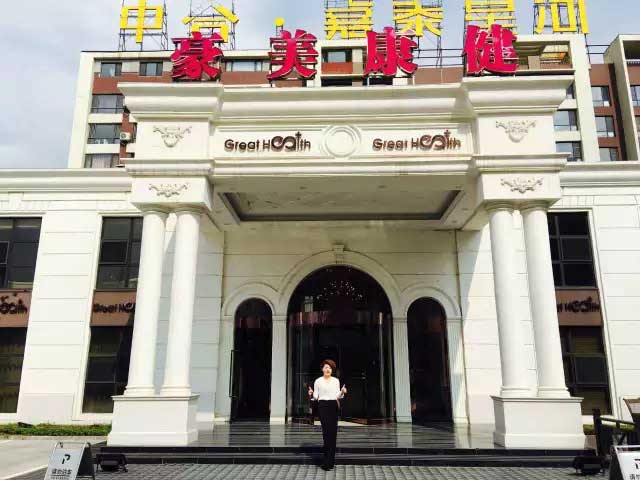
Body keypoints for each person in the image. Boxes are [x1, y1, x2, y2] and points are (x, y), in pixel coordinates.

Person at [308, 359, 347, 471]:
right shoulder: (318, 381)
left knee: (333, 433)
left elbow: (337, 395)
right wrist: (311, 394)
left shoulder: (336, 381)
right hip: (323, 406)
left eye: (330, 368)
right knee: (326, 433)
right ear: (322, 369)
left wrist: (342, 391)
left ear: (332, 370)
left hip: (333, 405)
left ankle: (330, 462)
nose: (328, 369)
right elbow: (316, 396)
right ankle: (326, 460)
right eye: (326, 367)